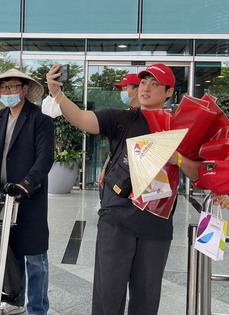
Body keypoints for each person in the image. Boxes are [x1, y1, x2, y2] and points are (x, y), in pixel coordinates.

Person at [46, 63, 200, 315]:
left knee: (146, 299)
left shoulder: (180, 128)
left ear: (170, 91)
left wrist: (177, 159)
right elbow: (82, 118)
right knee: (108, 294)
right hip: (116, 217)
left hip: (157, 224)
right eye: (142, 82)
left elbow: (196, 172)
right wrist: (57, 94)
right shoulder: (122, 119)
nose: (146, 88)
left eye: (154, 84)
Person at [0, 69, 54, 315]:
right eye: (4, 88)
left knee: (35, 256)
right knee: (11, 252)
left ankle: (38, 308)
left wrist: (26, 184)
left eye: (13, 87)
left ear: (24, 89)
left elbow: (45, 158)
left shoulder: (40, 120)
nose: (8, 92)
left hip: (28, 198)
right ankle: (16, 301)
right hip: (1, 197)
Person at [98, 73, 141, 190]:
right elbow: (115, 149)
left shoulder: (144, 116)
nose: (122, 92)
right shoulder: (126, 113)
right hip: (119, 175)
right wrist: (105, 168)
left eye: (125, 88)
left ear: (137, 90)